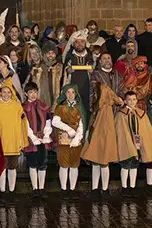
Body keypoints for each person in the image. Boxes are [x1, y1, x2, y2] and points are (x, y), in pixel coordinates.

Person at [81, 64, 123, 198]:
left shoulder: (105, 102)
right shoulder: (100, 102)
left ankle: (102, 188)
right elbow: (119, 101)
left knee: (102, 160)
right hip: (98, 127)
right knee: (98, 159)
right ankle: (99, 188)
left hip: (103, 127)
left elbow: (119, 101)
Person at [0, 85, 29, 203]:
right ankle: (2, 192)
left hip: (14, 141)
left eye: (9, 92)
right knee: (2, 168)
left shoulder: (17, 106)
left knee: (12, 168)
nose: (6, 95)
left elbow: (23, 122)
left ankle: (11, 191)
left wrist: (22, 139)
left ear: (12, 94)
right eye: (4, 92)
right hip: (0, 143)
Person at [52, 84, 86, 199]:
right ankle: (63, 189)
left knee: (74, 164)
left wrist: (78, 137)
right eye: (68, 92)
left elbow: (82, 123)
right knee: (64, 164)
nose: (71, 95)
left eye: (73, 92)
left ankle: (72, 188)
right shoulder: (60, 107)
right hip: (64, 139)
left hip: (76, 140)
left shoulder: (80, 107)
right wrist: (69, 129)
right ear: (64, 94)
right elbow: (55, 122)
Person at [22, 82, 54, 199]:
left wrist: (46, 135)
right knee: (33, 163)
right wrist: (33, 137)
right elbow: (25, 125)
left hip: (43, 139)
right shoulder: (24, 108)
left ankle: (41, 188)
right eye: (30, 92)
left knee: (42, 163)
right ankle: (35, 188)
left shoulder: (42, 105)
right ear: (26, 94)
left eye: (35, 92)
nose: (33, 94)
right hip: (31, 139)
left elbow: (48, 121)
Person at [63, 30, 93, 113]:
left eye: (82, 41)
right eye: (77, 42)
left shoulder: (91, 56)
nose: (80, 44)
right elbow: (63, 73)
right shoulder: (69, 57)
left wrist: (92, 71)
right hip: (73, 90)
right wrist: (67, 70)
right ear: (73, 44)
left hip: (87, 89)